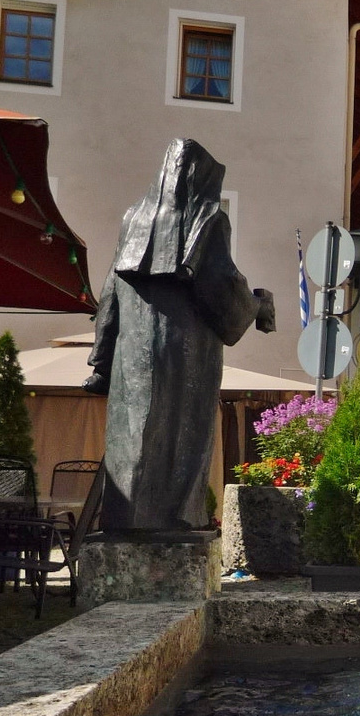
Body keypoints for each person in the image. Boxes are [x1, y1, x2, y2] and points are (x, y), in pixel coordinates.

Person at [83, 139, 274, 531]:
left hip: (130, 354)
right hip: (188, 355)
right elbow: (222, 290)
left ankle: (124, 521)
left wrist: (101, 360)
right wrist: (259, 305)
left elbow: (110, 294)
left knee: (131, 435)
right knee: (181, 437)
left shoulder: (133, 219)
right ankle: (175, 521)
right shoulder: (209, 220)